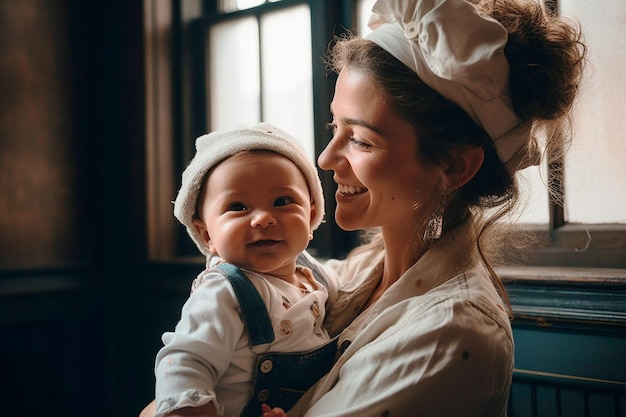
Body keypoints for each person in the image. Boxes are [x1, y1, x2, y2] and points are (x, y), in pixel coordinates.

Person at [142, 0, 585, 416]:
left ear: (454, 164)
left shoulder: (451, 334)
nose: (326, 159)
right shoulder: (353, 270)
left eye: (360, 139)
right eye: (335, 126)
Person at [151, 123, 339, 417]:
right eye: (238, 207)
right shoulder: (224, 291)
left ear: (312, 215)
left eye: (282, 201)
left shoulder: (314, 274)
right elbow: (186, 361)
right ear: (207, 236)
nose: (263, 219)